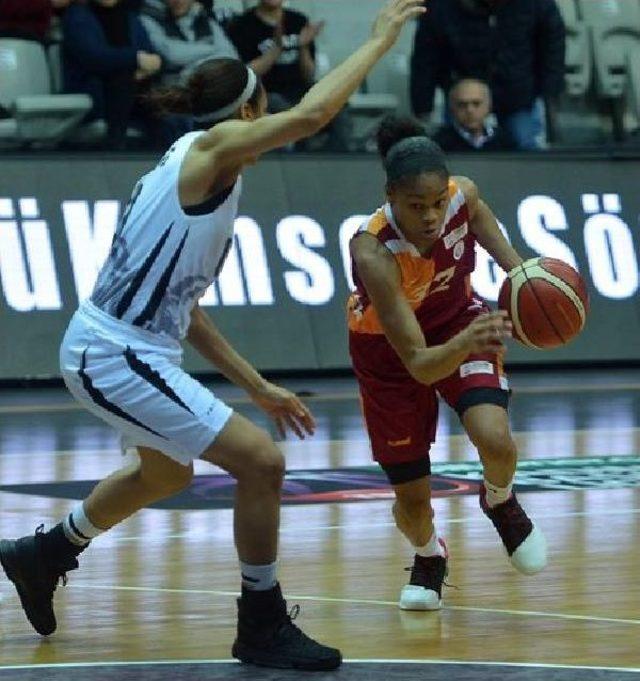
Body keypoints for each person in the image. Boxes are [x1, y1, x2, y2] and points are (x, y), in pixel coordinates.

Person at [0, 0, 426, 671]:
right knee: (262, 462)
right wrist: (377, 41)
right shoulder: (213, 147)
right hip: (114, 351)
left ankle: (45, 551)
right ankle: (260, 621)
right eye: (266, 112)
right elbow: (315, 114)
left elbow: (187, 309)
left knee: (166, 470)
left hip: (123, 347)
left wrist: (256, 384)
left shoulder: (195, 163)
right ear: (250, 115)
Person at [347, 115, 547, 612]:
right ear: (390, 196)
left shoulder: (463, 196)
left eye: (438, 203)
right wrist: (470, 340)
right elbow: (418, 363)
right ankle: (428, 554)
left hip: (459, 319)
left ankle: (499, 499)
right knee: (413, 504)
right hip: (391, 357)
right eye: (417, 207)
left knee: (496, 439)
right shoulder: (373, 252)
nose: (433, 216)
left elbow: (477, 215)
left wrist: (521, 275)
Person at [410, 0, 565, 150]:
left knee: (527, 154)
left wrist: (549, 94)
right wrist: (422, 106)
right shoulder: (443, 6)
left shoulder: (536, 5)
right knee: (455, 156)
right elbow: (425, 57)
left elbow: (552, 48)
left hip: (519, 97)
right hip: (464, 99)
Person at [227, 0, 351, 151]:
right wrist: (276, 50)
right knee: (286, 109)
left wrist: (303, 46)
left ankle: (334, 161)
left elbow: (309, 74)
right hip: (266, 92)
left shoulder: (298, 20)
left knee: (338, 104)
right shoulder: (242, 25)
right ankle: (299, 161)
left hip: (301, 90)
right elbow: (246, 74)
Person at [61, 0, 162, 148]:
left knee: (162, 102)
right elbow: (94, 57)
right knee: (122, 81)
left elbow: (149, 54)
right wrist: (135, 59)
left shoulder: (130, 17)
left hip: (134, 88)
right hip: (94, 89)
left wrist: (145, 67)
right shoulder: (78, 16)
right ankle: (115, 149)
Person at [140, 0, 239, 86]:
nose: (178, 0)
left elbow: (232, 56)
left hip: (208, 89)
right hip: (171, 95)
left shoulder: (205, 20)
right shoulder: (150, 19)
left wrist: (194, 66)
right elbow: (172, 54)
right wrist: (213, 49)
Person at [433, 79, 516, 152]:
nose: (470, 110)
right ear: (452, 109)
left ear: (489, 107)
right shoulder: (439, 144)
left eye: (476, 104)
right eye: (462, 104)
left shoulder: (505, 142)